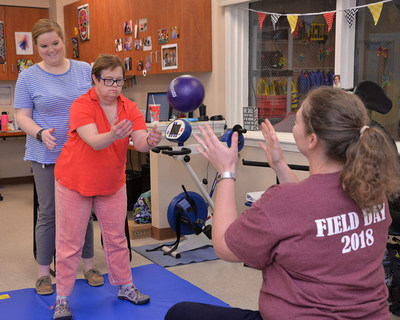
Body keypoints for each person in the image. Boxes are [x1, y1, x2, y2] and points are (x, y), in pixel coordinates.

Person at [165, 86, 400, 319]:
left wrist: (226, 172)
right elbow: (312, 209)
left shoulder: (284, 200)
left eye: (296, 122)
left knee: (180, 313)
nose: (292, 127)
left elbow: (225, 246)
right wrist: (280, 165)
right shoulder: (372, 191)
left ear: (312, 139)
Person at [52, 54, 162, 320]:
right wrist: (114, 133)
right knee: (70, 243)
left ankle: (125, 286)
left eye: (119, 81)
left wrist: (151, 140)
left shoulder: (130, 107)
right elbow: (94, 141)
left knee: (116, 238)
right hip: (74, 182)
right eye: (108, 80)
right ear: (95, 79)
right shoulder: (81, 104)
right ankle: (62, 299)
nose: (114, 86)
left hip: (111, 182)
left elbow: (140, 142)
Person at [14, 19, 103, 296]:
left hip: (82, 154)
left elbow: (97, 104)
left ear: (63, 40)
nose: (51, 50)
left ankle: (88, 266)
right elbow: (21, 116)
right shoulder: (28, 76)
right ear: (36, 47)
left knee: (83, 214)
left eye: (55, 43)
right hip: (45, 155)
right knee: (49, 214)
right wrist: (40, 133)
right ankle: (43, 274)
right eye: (43, 46)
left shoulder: (84, 70)